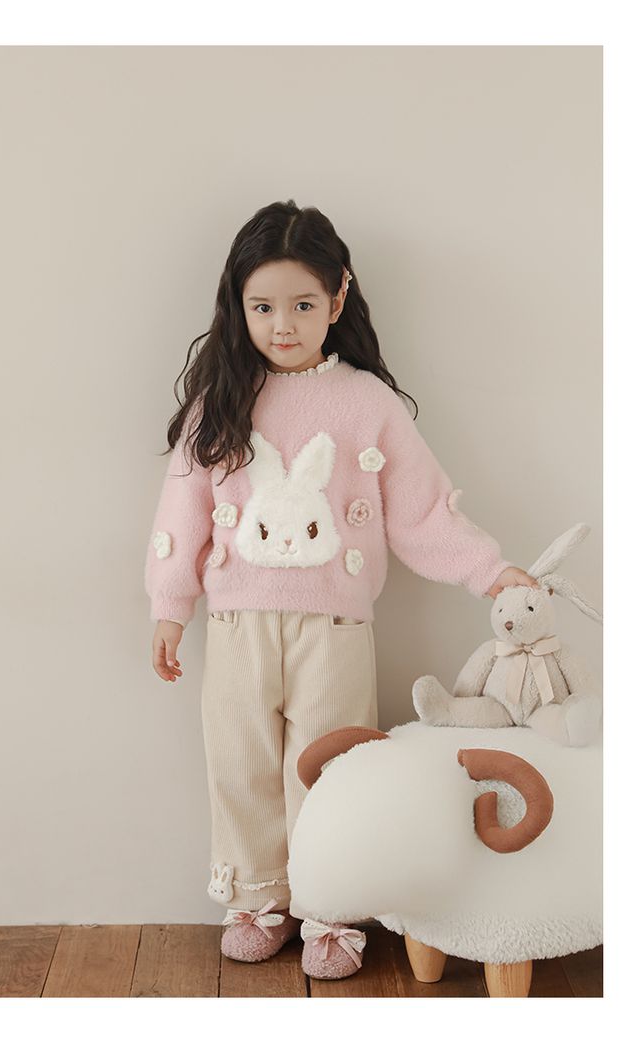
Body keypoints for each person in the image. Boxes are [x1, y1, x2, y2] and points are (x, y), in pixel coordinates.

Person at [144, 199, 539, 981]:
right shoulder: (220, 399)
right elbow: (180, 511)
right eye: (262, 306)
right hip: (236, 624)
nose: (282, 324)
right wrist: (169, 605)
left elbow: (422, 511)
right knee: (240, 762)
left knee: (331, 767)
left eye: (302, 304)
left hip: (334, 628)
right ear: (237, 305)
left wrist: (491, 571)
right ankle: (256, 897)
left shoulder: (367, 403)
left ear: (338, 297)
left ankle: (331, 904)